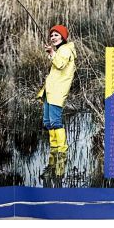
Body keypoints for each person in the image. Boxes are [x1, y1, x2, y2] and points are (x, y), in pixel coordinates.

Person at [36, 24, 76, 156]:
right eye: (51, 35)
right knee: (48, 122)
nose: (53, 37)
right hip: (50, 91)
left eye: (56, 35)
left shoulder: (65, 49)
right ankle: (54, 150)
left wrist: (52, 53)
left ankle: (62, 151)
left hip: (57, 92)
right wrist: (52, 53)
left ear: (63, 37)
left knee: (55, 121)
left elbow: (60, 64)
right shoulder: (60, 50)